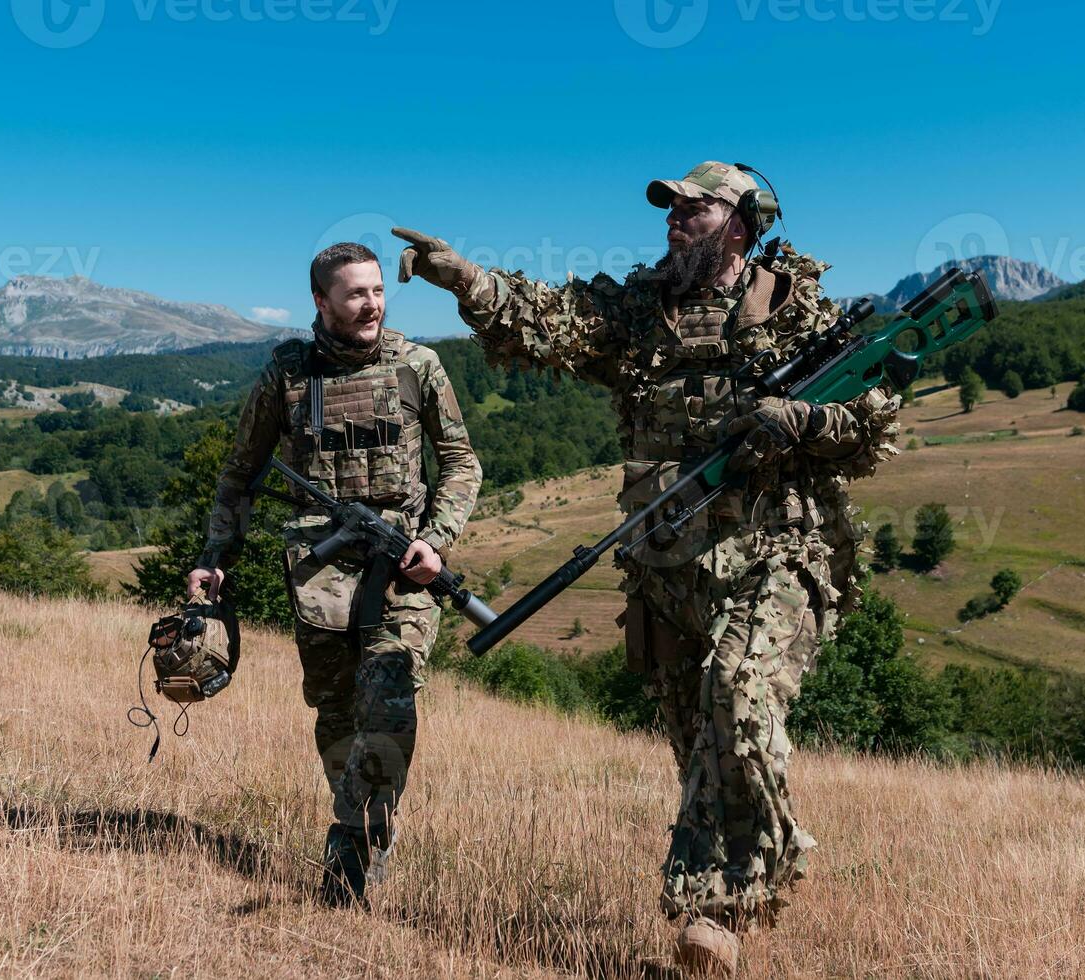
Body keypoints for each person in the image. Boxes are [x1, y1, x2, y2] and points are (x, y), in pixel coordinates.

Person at [394, 162, 898, 975]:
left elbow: (872, 417)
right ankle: (730, 905)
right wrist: (463, 277)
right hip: (667, 559)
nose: (672, 219)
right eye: (669, 207)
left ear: (739, 225)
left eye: (692, 209)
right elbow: (543, 318)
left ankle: (729, 902)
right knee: (699, 738)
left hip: (779, 548)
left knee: (737, 692)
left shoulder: (797, 308)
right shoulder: (640, 311)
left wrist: (803, 417)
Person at [187, 241, 481, 907]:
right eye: (356, 294)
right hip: (317, 568)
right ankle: (371, 822)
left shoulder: (418, 366)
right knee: (336, 709)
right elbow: (239, 474)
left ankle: (349, 843)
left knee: (391, 695)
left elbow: (462, 462)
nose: (372, 303)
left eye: (378, 290)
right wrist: (214, 561)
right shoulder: (288, 376)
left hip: (400, 563)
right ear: (321, 302)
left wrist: (436, 540)